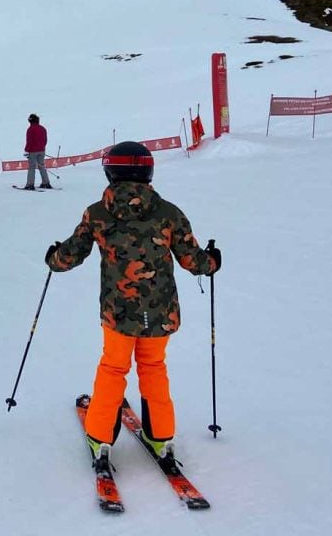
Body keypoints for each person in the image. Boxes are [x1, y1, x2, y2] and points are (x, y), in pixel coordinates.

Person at [43, 140, 220, 471]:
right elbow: (192, 260)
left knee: (113, 368)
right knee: (154, 368)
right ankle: (161, 435)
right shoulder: (169, 213)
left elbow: (71, 254)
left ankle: (100, 437)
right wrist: (211, 262)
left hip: (118, 314)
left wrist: (54, 258)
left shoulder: (97, 213)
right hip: (160, 314)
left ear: (110, 172)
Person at [23, 113, 52, 190]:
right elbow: (45, 140)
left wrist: (26, 150)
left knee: (31, 167)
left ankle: (30, 184)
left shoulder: (30, 129)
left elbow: (29, 141)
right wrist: (42, 147)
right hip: (42, 150)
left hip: (32, 151)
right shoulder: (43, 128)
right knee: (42, 166)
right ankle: (46, 183)